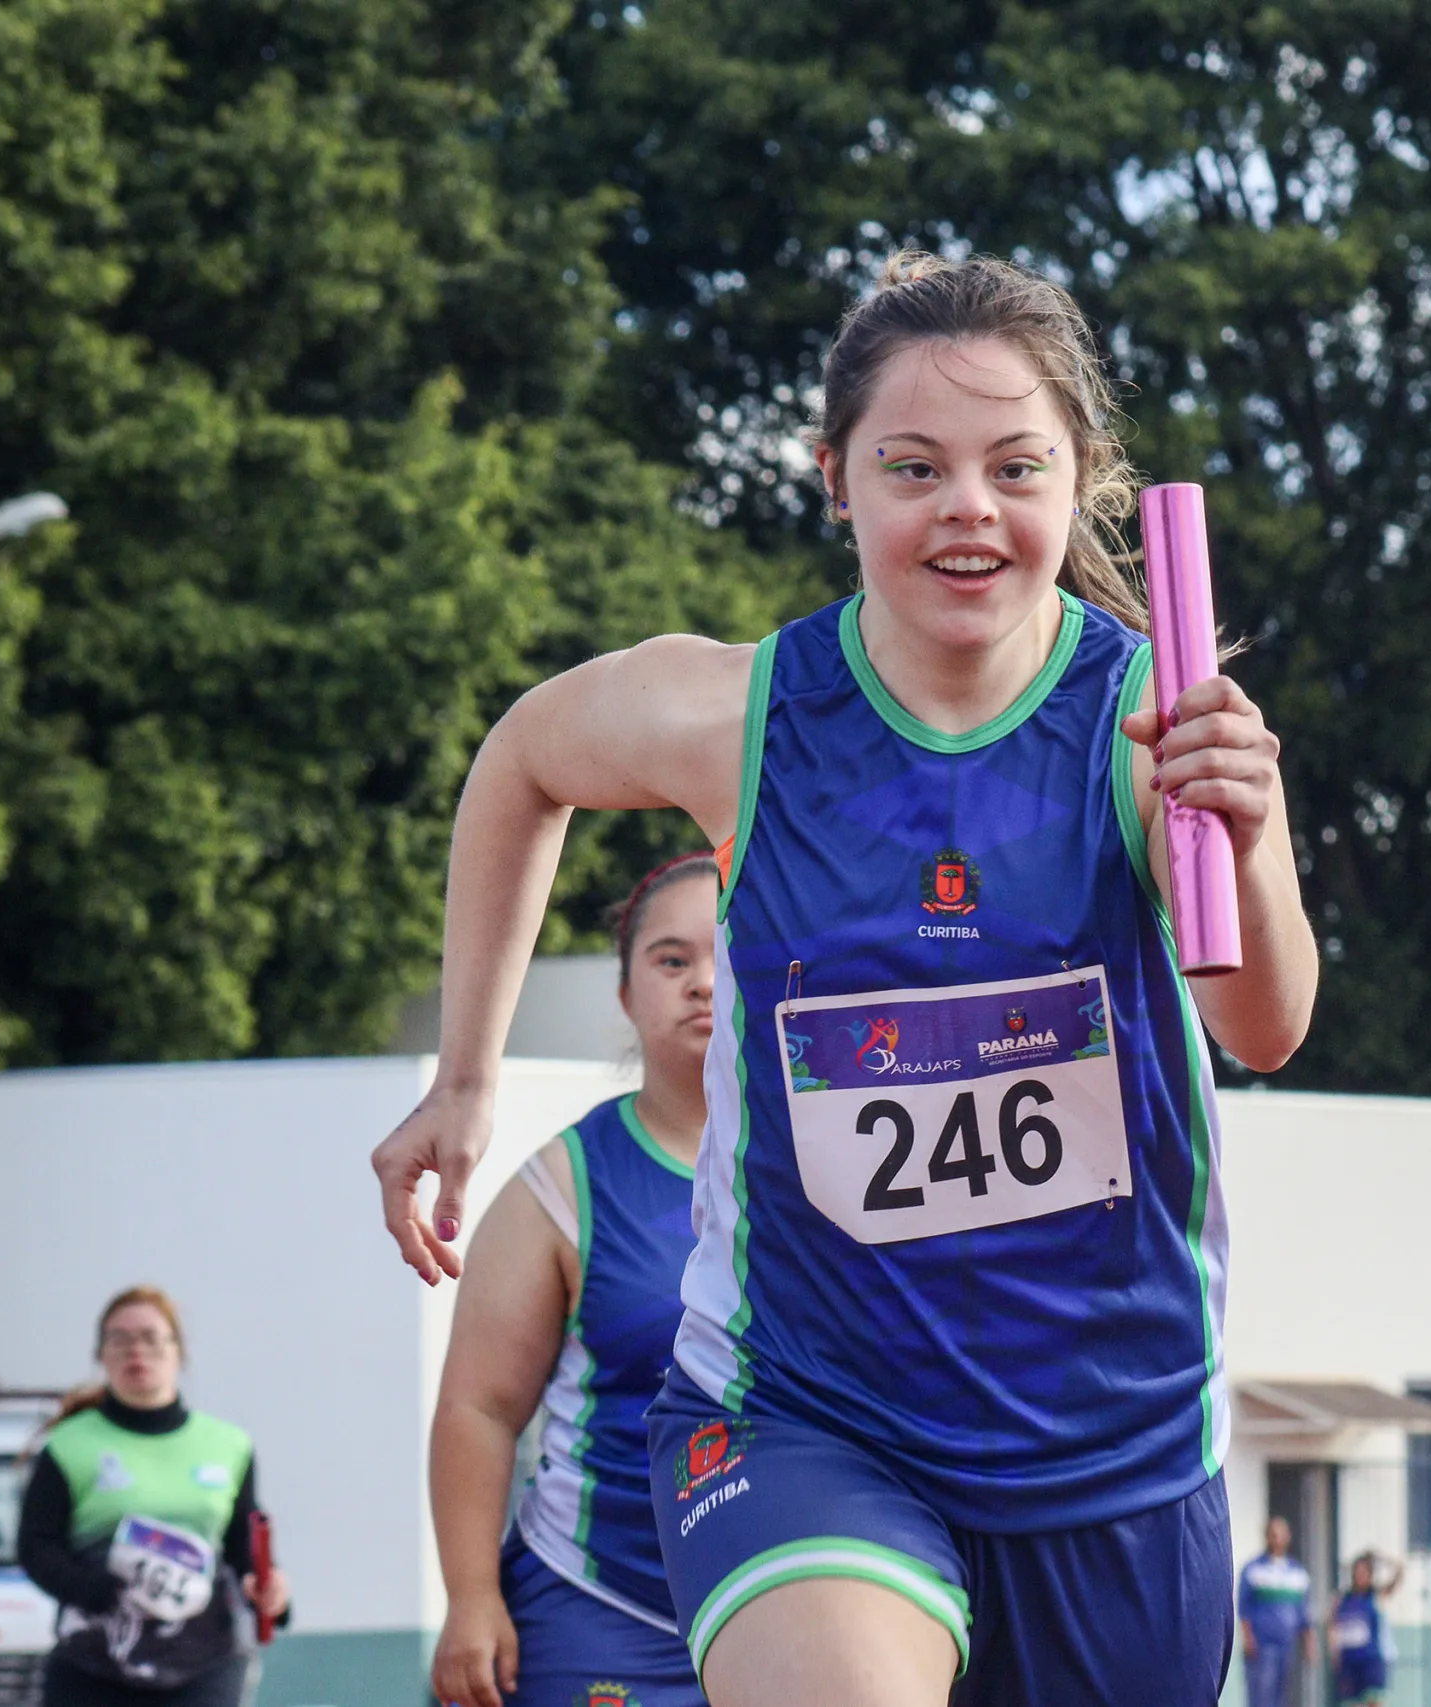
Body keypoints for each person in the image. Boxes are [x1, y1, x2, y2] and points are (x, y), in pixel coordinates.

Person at [372, 250, 1318, 1707]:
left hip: (1114, 1440)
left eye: (1016, 466)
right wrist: (466, 1074)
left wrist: (1248, 840)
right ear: (835, 480)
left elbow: (1264, 1025)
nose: (968, 509)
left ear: (1082, 481)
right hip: (806, 1415)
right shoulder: (739, 713)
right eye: (913, 466)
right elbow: (523, 760)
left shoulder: (1148, 716)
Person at [429, 855, 719, 1707]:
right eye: (671, 960)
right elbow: (478, 1408)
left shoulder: (837, 1157)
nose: (703, 981)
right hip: (600, 1603)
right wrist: (471, 1598)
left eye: (727, 952)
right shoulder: (563, 1182)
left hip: (795, 1587)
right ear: (626, 993)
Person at [16, 1287, 289, 1707]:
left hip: (203, 1661)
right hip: (95, 1664)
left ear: (178, 1351)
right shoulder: (68, 1445)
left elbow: (244, 1543)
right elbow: (36, 1545)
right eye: (119, 1339)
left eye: (150, 1337)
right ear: (100, 1355)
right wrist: (88, 1587)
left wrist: (268, 1586)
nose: (135, 1351)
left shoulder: (228, 1444)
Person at [1237, 1516, 1312, 1707]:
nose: (1277, 1539)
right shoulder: (1253, 1569)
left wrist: (1310, 1643)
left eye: (1281, 1534)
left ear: (1288, 1537)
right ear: (1267, 1536)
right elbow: (1243, 1608)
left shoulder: (1297, 1573)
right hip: (1262, 1647)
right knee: (1262, 1697)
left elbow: (1304, 1613)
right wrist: (1247, 1639)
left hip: (1287, 1646)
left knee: (1282, 1697)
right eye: (1273, 1534)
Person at [1328, 1551, 1398, 1707]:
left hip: (1371, 1660)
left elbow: (1399, 1573)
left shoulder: (1376, 1595)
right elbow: (1332, 1626)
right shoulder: (1342, 1598)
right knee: (1352, 1703)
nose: (1360, 1576)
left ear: (1370, 1574)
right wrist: (1334, 1652)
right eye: (1357, 1572)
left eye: (1364, 1572)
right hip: (1349, 1661)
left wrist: (1382, 1558)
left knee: (1374, 1701)